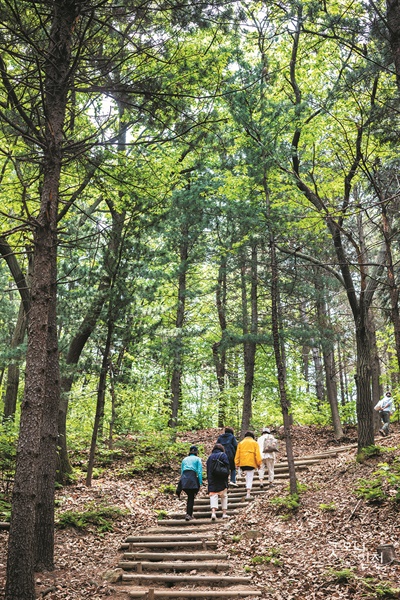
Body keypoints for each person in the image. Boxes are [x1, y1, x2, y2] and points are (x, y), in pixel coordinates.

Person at [176, 445, 203, 521]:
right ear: (196, 452)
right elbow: (199, 472)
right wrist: (200, 482)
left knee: (189, 496)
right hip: (192, 478)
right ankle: (189, 514)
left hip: (184, 478)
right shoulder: (197, 459)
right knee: (191, 497)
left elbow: (182, 471)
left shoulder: (184, 459)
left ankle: (189, 514)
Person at [234, 431, 262, 500]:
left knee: (247, 476)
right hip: (251, 463)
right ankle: (248, 493)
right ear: (252, 436)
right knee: (250, 477)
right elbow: (257, 454)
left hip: (243, 463)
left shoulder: (241, 443)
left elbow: (237, 454)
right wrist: (259, 463)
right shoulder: (255, 443)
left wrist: (237, 463)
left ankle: (247, 487)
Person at [206, 443, 230, 521]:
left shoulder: (210, 457)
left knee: (213, 496)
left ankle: (213, 513)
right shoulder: (223, 455)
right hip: (222, 478)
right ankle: (224, 513)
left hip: (212, 479)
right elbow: (227, 467)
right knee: (224, 496)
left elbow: (208, 470)